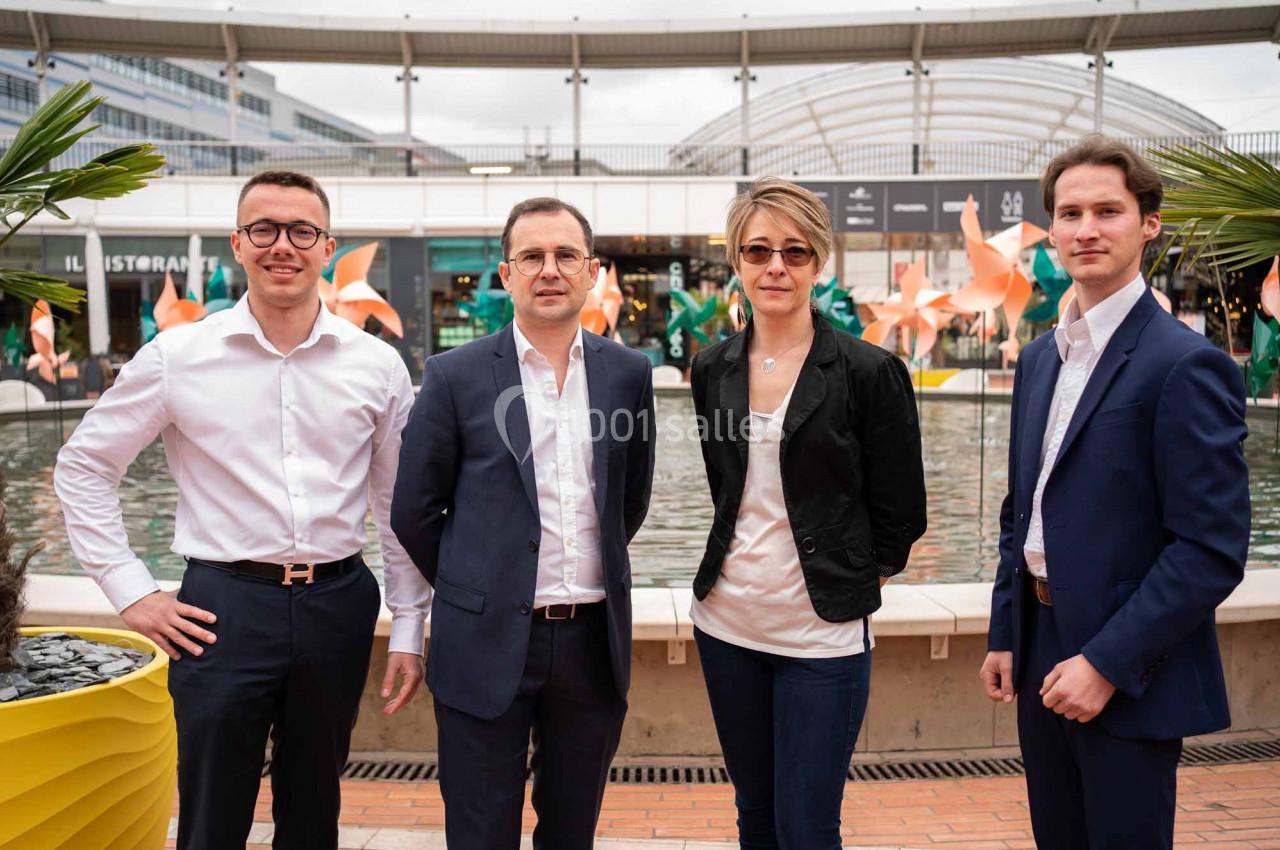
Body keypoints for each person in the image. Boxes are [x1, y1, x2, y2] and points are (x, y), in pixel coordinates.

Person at [54, 170, 431, 850]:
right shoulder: (178, 355)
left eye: (301, 231)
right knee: (211, 812)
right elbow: (85, 465)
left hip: (338, 600)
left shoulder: (376, 365)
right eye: (263, 228)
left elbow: (396, 502)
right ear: (237, 242)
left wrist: (408, 623)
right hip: (220, 607)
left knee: (315, 806)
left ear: (326, 247)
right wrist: (131, 590)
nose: (281, 244)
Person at [979, 136, 1251, 850]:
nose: (1086, 230)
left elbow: (1211, 548)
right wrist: (1006, 632)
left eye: (1107, 210)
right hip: (1039, 648)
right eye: (1069, 214)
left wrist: (1106, 664)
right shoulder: (1040, 360)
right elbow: (1024, 509)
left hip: (1129, 666)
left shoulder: (1186, 364)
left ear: (1148, 224)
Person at [391, 197, 655, 850]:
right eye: (531, 256)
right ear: (506, 275)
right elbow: (414, 511)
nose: (549, 269)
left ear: (591, 271)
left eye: (566, 255)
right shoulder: (453, 376)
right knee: (480, 836)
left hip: (592, 646)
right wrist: (477, 584)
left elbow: (630, 499)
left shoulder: (628, 374)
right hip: (482, 643)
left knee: (572, 836)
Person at [689, 177, 927, 849]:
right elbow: (726, 488)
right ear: (736, 261)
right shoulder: (712, 368)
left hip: (820, 639)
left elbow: (901, 514)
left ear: (818, 262)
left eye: (795, 252)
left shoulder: (868, 371)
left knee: (807, 827)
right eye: (758, 251)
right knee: (755, 818)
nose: (776, 267)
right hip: (726, 627)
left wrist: (847, 580)